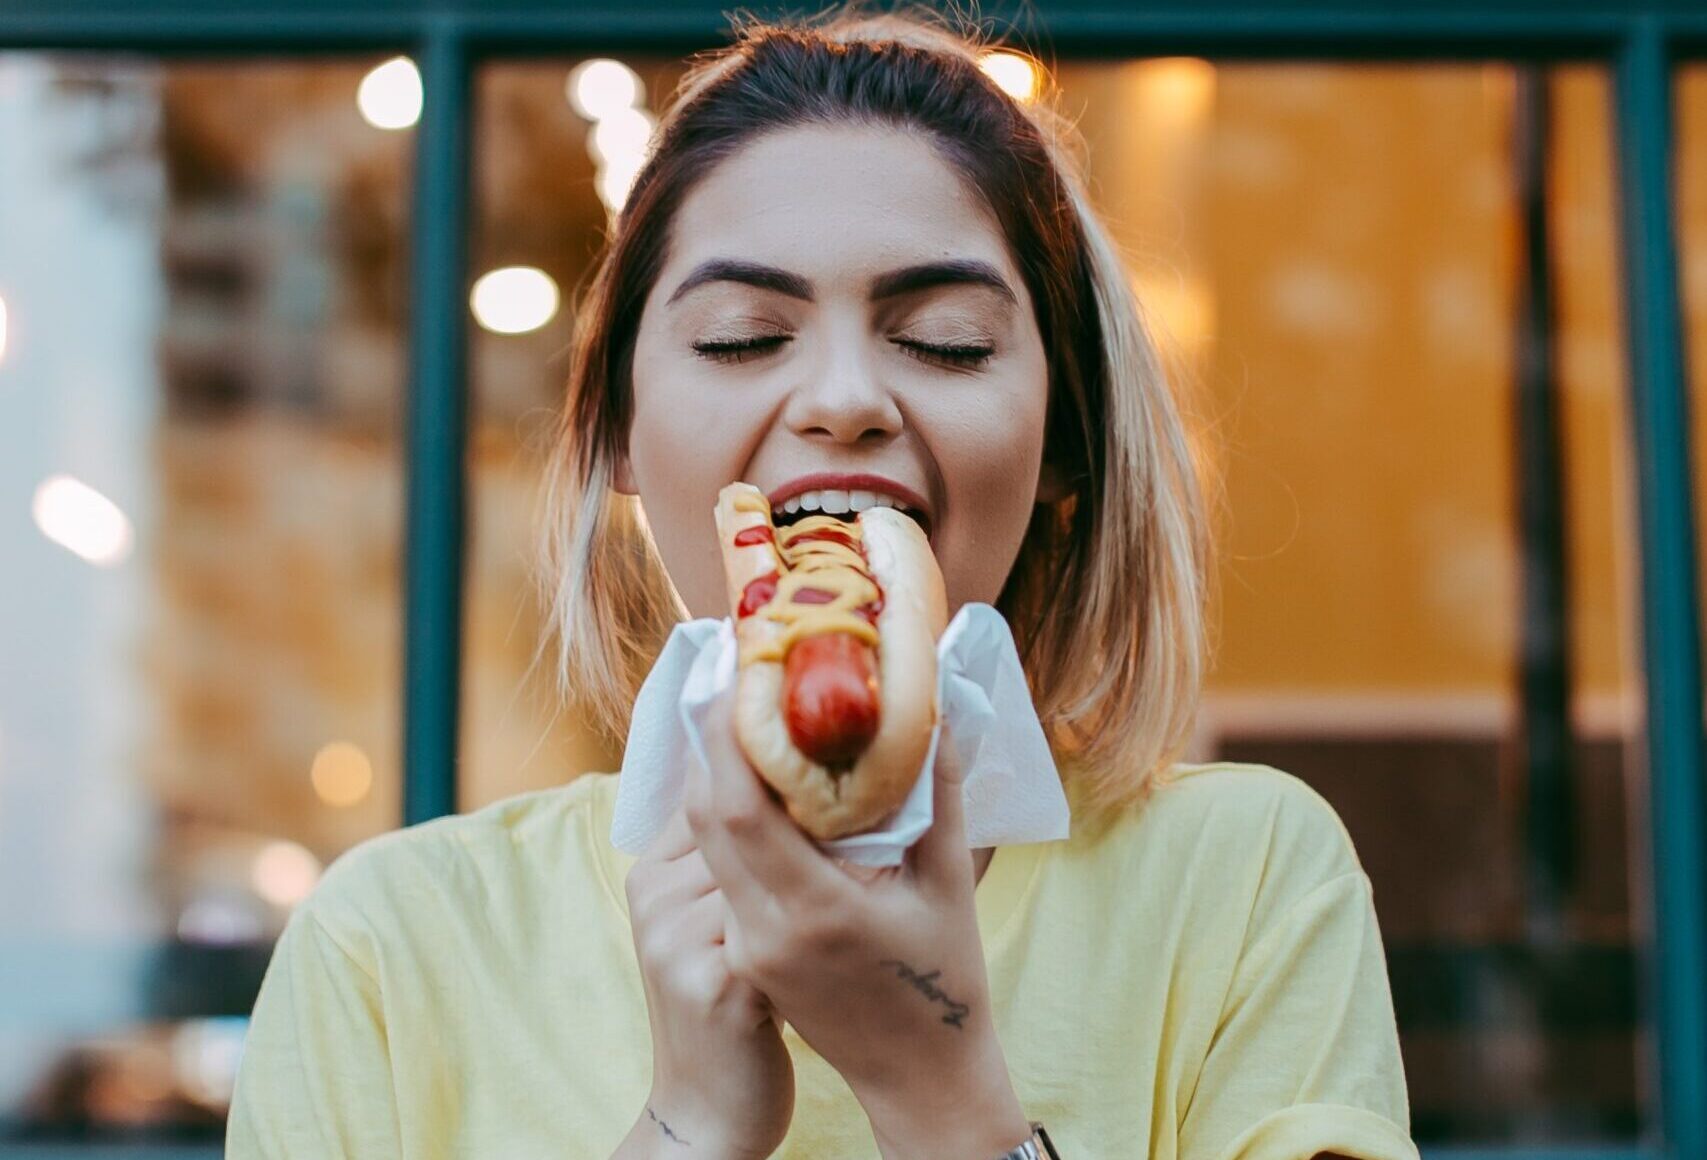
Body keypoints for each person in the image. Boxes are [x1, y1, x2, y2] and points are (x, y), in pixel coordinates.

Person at [225, 6, 1418, 1158]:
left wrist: (941, 1088)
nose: (844, 397)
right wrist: (689, 1125)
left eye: (945, 339)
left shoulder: (1247, 875)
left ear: (1064, 437)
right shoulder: (392, 941)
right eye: (743, 336)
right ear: (619, 436)